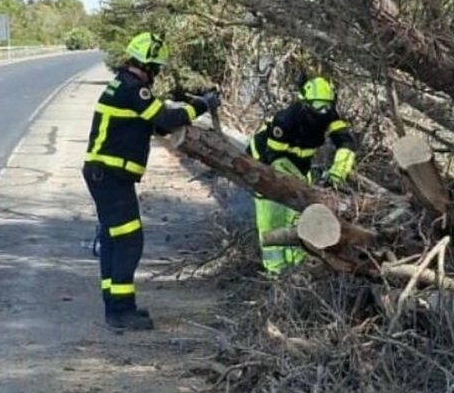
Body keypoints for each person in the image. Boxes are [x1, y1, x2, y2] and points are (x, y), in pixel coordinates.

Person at [83, 32, 220, 331]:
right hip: (110, 175)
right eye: (156, 67)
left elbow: (152, 123)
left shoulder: (123, 84)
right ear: (148, 65)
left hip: (106, 174)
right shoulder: (134, 89)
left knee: (113, 238)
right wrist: (202, 106)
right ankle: (120, 311)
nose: (157, 74)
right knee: (128, 239)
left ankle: (117, 305)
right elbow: (164, 120)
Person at [246, 76, 356, 274]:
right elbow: (276, 159)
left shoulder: (329, 115)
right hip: (263, 162)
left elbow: (346, 142)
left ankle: (297, 265)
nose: (322, 112)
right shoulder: (286, 120)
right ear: (304, 102)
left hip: (298, 165)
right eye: (318, 106)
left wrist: (337, 174)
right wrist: (299, 185)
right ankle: (274, 270)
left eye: (327, 107)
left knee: (299, 214)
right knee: (272, 215)